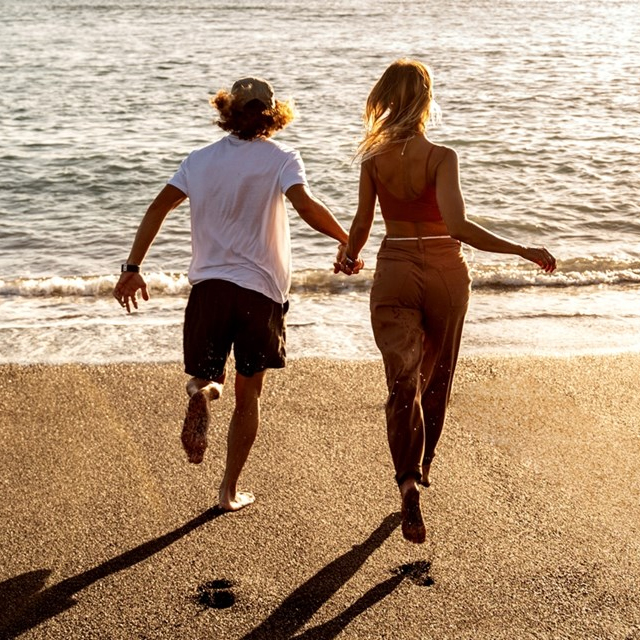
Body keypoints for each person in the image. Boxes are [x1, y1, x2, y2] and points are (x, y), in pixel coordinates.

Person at [335, 59, 556, 544]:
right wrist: (520, 248)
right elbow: (457, 226)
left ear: (385, 99)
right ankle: (425, 463)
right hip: (444, 271)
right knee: (436, 374)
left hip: (394, 268)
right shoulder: (441, 156)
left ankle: (406, 481)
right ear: (425, 100)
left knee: (401, 380)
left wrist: (349, 256)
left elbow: (362, 223)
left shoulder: (373, 159)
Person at [113, 77, 350, 512]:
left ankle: (201, 394)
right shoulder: (282, 158)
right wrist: (345, 240)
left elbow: (156, 208)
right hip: (260, 293)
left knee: (207, 377)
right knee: (249, 396)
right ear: (273, 115)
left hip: (209, 290)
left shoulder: (199, 160)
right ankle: (227, 492)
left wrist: (132, 268)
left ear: (228, 112)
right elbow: (306, 205)